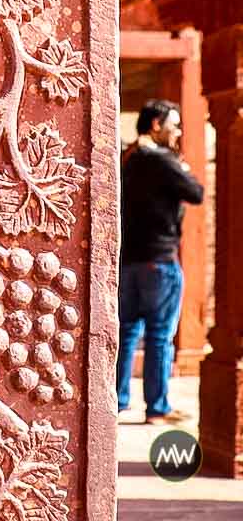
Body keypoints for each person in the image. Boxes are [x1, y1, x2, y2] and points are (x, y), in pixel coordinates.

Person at [117, 99, 204, 424]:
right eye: (174, 125)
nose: (178, 131)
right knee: (158, 335)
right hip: (160, 259)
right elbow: (195, 192)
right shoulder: (162, 160)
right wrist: (179, 164)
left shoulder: (128, 157)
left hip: (128, 261)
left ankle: (118, 400)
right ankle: (157, 408)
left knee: (126, 332)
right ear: (156, 125)